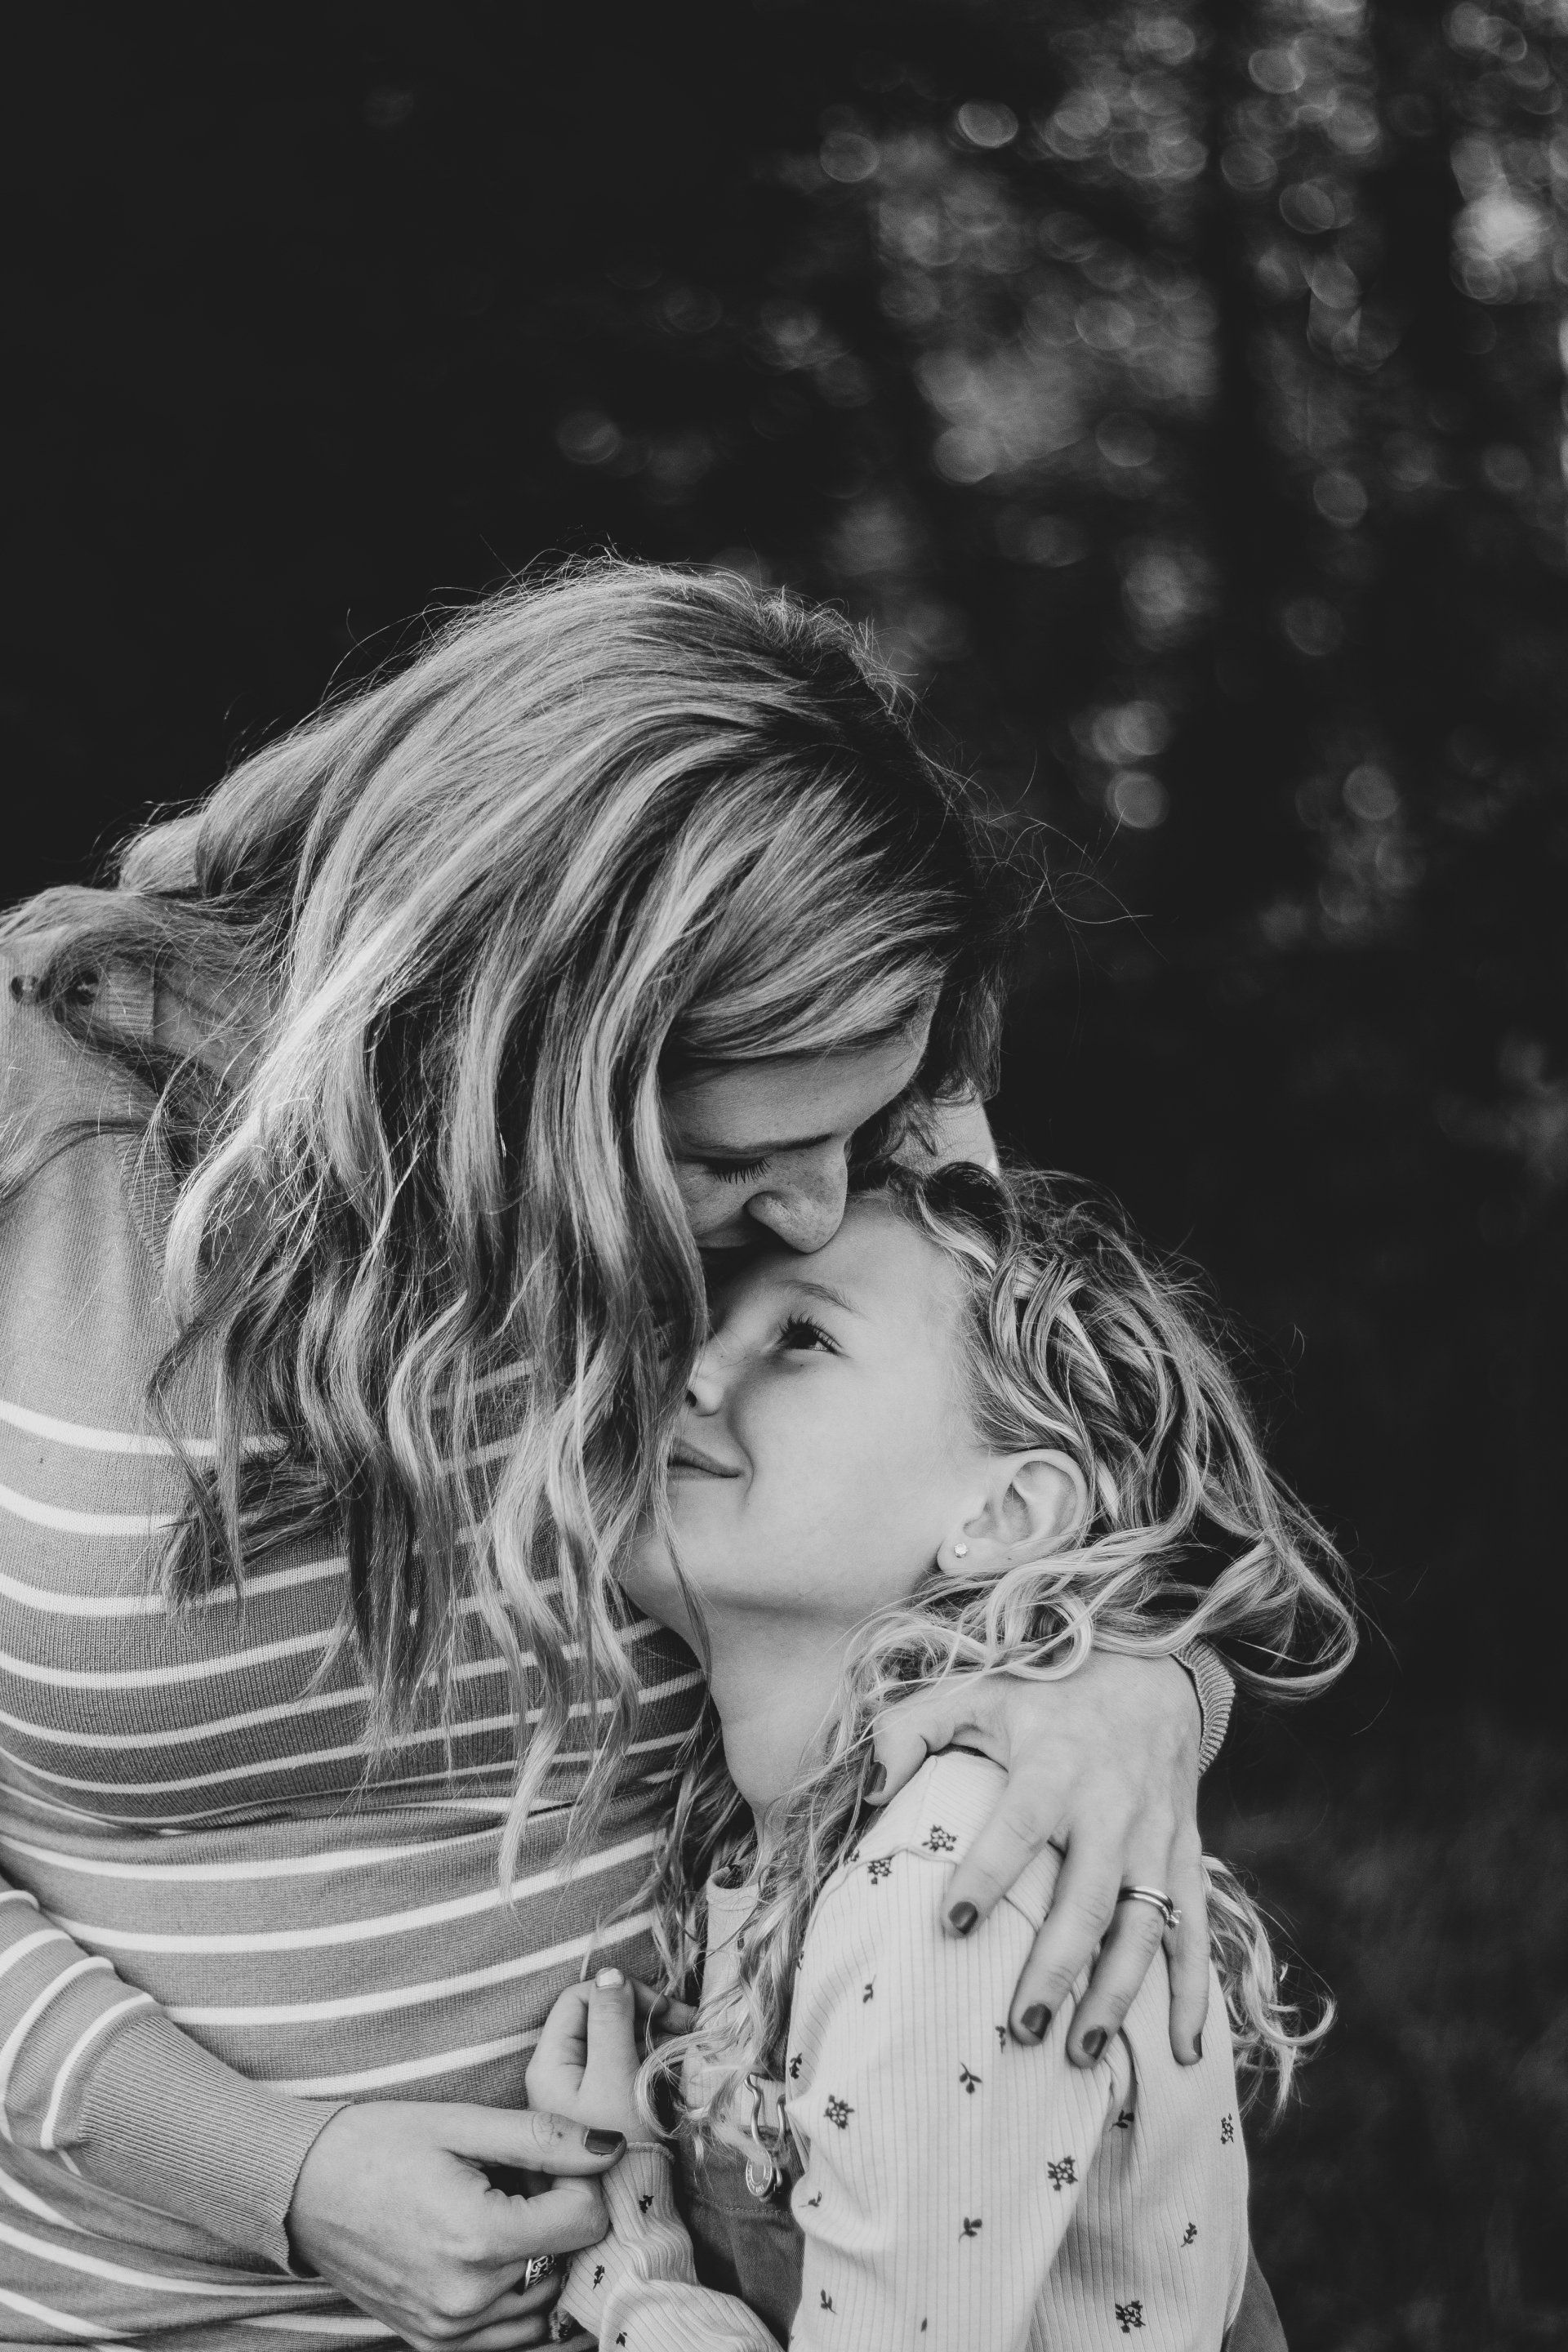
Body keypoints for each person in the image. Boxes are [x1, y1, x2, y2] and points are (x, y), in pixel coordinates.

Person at [1, 564, 1232, 2350]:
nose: (826, 1203)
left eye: (866, 1128)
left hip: (746, 2289)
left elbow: (1048, 1472)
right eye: (753, 1150)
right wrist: (276, 2172)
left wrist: (1131, 1681)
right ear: (526, 1057)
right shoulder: (38, 1148)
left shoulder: (830, 1093)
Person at [532, 1165, 1355, 2350]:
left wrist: (629, 2257)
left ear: (1007, 1513)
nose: (693, 1372)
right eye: (701, 1328)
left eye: (804, 1337)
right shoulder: (791, 1831)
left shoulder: (950, 1884)